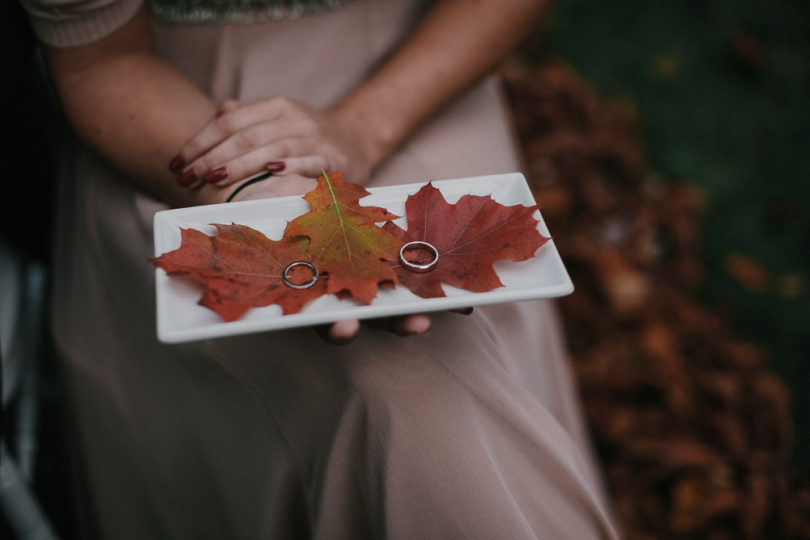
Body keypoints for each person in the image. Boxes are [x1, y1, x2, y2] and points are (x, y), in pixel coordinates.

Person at [21, 0, 619, 537]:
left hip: (416, 74)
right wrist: (258, 193)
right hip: (168, 125)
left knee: (431, 380)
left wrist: (361, 127)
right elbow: (100, 60)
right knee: (390, 388)